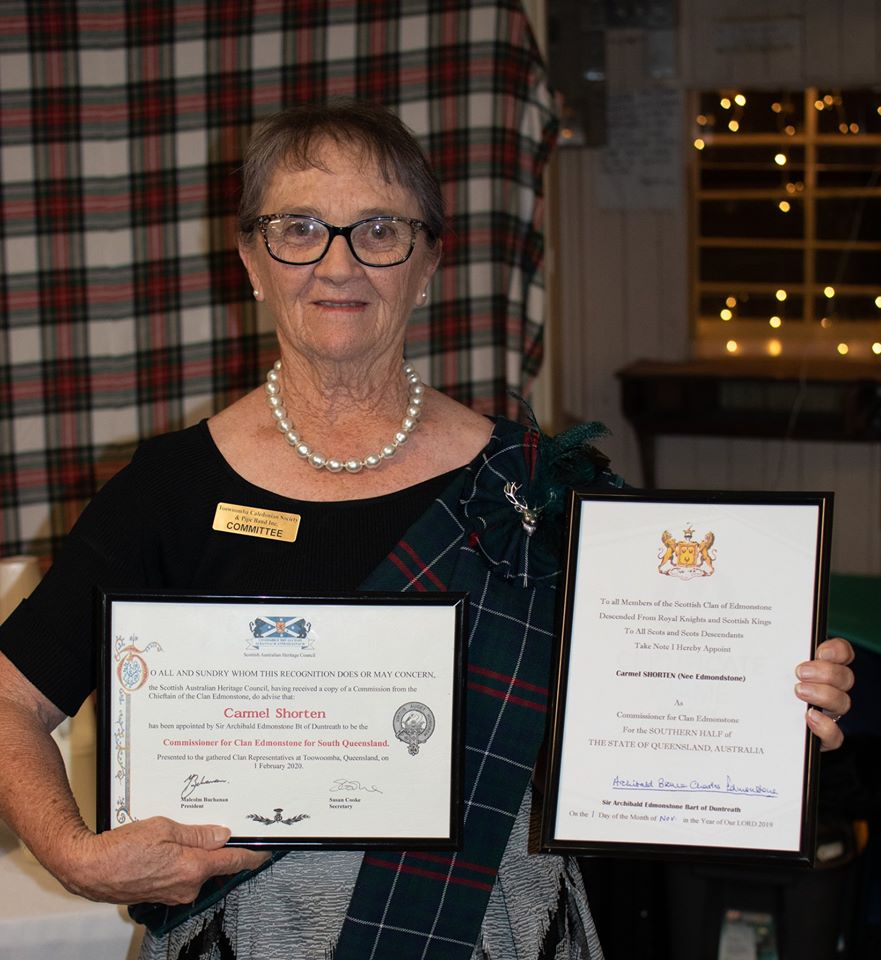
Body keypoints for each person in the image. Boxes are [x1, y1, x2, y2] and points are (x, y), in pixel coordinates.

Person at [0, 100, 855, 960]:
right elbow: (10, 699)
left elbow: (662, 685)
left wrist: (769, 696)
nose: (338, 263)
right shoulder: (168, 489)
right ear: (252, 259)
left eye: (380, 230)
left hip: (497, 932)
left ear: (428, 262)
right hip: (249, 937)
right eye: (299, 228)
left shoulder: (538, 487)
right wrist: (74, 855)